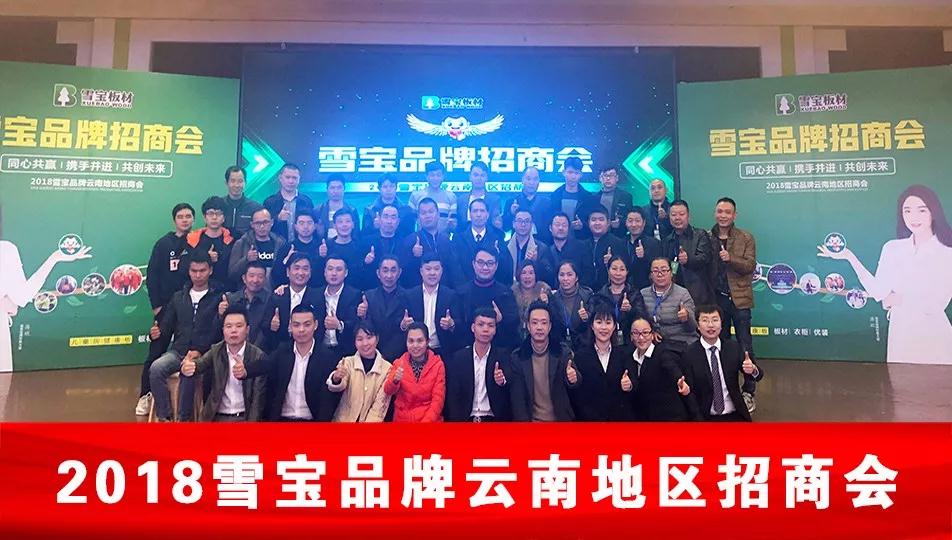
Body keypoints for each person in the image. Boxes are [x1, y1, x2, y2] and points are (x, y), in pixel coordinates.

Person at [818, 184, 952, 364]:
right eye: (907, 211)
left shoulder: (946, 252)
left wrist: (897, 299)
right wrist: (850, 257)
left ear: (933, 212)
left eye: (921, 210)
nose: (913, 217)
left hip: (933, 334)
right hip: (900, 332)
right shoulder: (892, 248)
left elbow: (936, 304)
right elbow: (878, 292)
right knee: (900, 380)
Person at [0, 214, 92, 373]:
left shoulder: (6, 250)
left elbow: (20, 296)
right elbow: (20, 297)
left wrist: (54, 258)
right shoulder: (6, 250)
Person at [147, 252, 224, 422]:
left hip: (205, 353)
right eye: (194, 271)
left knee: (188, 370)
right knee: (156, 368)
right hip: (178, 351)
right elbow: (166, 327)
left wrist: (199, 350)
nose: (198, 275)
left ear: (210, 270)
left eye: (202, 270)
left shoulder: (219, 297)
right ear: (189, 271)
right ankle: (165, 417)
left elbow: (217, 332)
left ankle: (184, 420)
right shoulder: (178, 297)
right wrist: (155, 333)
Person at [242, 304, 340, 421]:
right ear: (290, 326)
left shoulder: (327, 357)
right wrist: (245, 370)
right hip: (282, 420)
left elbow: (328, 399)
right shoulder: (282, 351)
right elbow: (265, 364)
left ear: (316, 325)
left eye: (307, 324)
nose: (301, 330)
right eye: (296, 325)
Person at [710, 197, 758, 411]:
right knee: (719, 346)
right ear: (715, 213)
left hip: (740, 299)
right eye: (720, 211)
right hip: (717, 300)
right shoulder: (708, 237)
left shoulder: (746, 237)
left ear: (734, 215)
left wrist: (730, 258)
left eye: (727, 212)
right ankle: (725, 388)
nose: (723, 215)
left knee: (745, 345)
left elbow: (750, 266)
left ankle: (748, 391)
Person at [179, 305, 268, 422]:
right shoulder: (216, 351)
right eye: (228, 326)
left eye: (239, 326)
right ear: (223, 330)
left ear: (247, 330)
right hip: (216, 416)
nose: (233, 330)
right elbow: (199, 365)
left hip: (243, 418)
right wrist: (187, 367)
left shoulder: (258, 356)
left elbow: (257, 400)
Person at [680, 304, 763, 421]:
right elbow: (689, 393)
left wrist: (753, 370)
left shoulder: (733, 348)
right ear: (698, 325)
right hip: (705, 417)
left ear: (721, 324)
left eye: (715, 320)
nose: (710, 325)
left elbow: (758, 376)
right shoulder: (689, 353)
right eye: (705, 320)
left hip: (735, 415)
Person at [508, 301, 580, 421]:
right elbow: (518, 401)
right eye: (534, 323)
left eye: (544, 322)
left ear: (550, 326)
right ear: (528, 326)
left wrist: (573, 378)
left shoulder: (562, 352)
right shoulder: (518, 357)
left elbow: (576, 380)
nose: (539, 327)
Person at [571, 295, 638, 421]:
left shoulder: (624, 355)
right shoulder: (580, 357)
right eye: (599, 322)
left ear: (614, 326)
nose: (603, 327)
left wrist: (629, 386)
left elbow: (634, 384)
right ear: (592, 326)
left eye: (608, 322)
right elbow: (577, 395)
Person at [444, 307, 512, 422]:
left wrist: (502, 382)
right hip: (466, 419)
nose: (486, 329)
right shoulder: (459, 358)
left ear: (495, 330)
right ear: (473, 328)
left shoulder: (503, 357)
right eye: (481, 324)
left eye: (490, 325)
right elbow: (453, 396)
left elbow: (511, 393)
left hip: (493, 419)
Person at [628, 317, 694, 421]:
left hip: (668, 417)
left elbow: (672, 369)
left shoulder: (662, 353)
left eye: (645, 332)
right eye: (636, 333)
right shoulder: (629, 357)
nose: (641, 337)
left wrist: (681, 382)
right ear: (631, 336)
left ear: (652, 334)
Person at [326, 321, 393, 422]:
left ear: (377, 339)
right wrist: (336, 379)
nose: (365, 343)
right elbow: (339, 386)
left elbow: (379, 409)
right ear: (355, 342)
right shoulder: (347, 362)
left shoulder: (387, 368)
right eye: (360, 339)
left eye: (369, 337)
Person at [456, 247, 521, 348]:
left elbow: (514, 325)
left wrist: (501, 320)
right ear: (473, 264)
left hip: (499, 349)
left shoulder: (505, 293)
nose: (485, 267)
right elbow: (459, 326)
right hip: (467, 350)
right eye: (480, 262)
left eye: (490, 263)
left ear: (496, 265)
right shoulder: (462, 293)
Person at [384, 322, 446, 422]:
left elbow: (437, 401)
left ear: (427, 342)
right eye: (411, 341)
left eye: (420, 341)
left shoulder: (438, 365)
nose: (415, 345)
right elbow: (387, 391)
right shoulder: (399, 363)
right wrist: (394, 381)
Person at [404, 254, 460, 359]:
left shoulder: (451, 295)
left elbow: (460, 323)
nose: (432, 273)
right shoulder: (410, 295)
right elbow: (400, 322)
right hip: (415, 351)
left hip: (442, 351)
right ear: (421, 271)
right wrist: (403, 325)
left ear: (442, 271)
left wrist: (451, 324)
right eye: (428, 269)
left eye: (436, 269)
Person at [662, 199, 714, 306]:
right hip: (673, 292)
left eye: (681, 214)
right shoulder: (667, 240)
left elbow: (705, 258)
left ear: (688, 216)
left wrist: (688, 260)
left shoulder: (700, 235)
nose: (677, 218)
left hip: (698, 292)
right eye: (673, 215)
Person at [640, 257, 697, 352]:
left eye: (664, 270)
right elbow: (640, 320)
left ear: (671, 273)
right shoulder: (643, 294)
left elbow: (692, 327)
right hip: (655, 343)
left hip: (681, 342)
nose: (660, 274)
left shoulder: (683, 293)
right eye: (655, 271)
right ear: (651, 275)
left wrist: (686, 317)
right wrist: (651, 332)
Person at [267, 252, 322, 350]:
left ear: (310, 273)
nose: (300, 273)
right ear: (288, 272)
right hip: (280, 350)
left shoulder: (318, 298)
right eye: (296, 268)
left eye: (305, 269)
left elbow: (321, 328)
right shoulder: (277, 296)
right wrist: (271, 326)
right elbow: (264, 326)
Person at [399, 197, 459, 288]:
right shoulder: (410, 240)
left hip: (445, 291)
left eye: (431, 212)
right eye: (423, 213)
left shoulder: (446, 240)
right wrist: (413, 256)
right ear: (418, 217)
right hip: (417, 291)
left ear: (438, 215)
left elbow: (453, 270)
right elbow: (403, 273)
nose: (427, 216)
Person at [146, 203, 194, 317]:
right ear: (174, 221)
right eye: (180, 217)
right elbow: (152, 276)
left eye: (188, 216)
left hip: (193, 304)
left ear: (193, 220)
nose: (184, 220)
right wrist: (156, 306)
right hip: (167, 304)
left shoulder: (199, 242)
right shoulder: (163, 244)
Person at [359, 255, 409, 361]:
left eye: (393, 270)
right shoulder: (368, 296)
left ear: (399, 273)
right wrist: (362, 316)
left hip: (400, 355)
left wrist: (404, 326)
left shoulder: (408, 296)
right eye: (385, 270)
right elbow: (365, 328)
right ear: (378, 273)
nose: (389, 275)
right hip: (372, 353)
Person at [216, 261, 275, 350]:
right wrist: (220, 315)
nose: (255, 280)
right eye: (251, 276)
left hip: (259, 352)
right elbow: (217, 330)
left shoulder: (271, 300)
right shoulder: (231, 299)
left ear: (265, 279)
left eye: (260, 276)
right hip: (231, 349)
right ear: (244, 278)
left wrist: (251, 351)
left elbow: (265, 332)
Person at [452, 198, 512, 286]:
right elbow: (455, 267)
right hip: (464, 289)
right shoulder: (458, 237)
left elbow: (506, 266)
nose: (478, 214)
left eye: (482, 211)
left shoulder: (498, 236)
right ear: (470, 214)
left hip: (491, 287)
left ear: (487, 215)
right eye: (475, 211)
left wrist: (498, 254)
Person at [228, 207, 286, 289]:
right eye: (258, 223)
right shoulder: (242, 243)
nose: (262, 226)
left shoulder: (281, 243)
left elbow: (286, 273)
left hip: (275, 293)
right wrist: (246, 260)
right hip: (248, 293)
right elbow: (232, 275)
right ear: (252, 225)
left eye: (265, 222)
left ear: (272, 222)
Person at [183, 196, 234, 290]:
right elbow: (184, 267)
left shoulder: (232, 240)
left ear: (224, 218)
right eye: (210, 213)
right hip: (197, 290)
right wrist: (206, 259)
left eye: (218, 214)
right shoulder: (192, 240)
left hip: (226, 290)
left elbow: (233, 270)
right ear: (204, 217)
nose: (214, 217)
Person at [315, 255, 362, 357]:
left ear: (346, 273)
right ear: (325, 272)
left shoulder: (355, 295)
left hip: (345, 351)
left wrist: (339, 325)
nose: (334, 273)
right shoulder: (315, 294)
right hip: (319, 350)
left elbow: (357, 324)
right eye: (330, 269)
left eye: (339, 269)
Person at [598, 256, 649, 346]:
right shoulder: (600, 295)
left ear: (627, 272)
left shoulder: (634, 293)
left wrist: (630, 310)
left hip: (630, 340)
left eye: (622, 269)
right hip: (605, 340)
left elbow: (642, 317)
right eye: (614, 269)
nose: (618, 273)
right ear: (608, 271)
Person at [263, 163, 314, 242]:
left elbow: (312, 225)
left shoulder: (306, 201)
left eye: (294, 178)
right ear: (280, 178)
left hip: (301, 245)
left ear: (299, 179)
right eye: (287, 177)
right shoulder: (270, 202)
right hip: (277, 245)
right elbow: (263, 227)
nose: (291, 181)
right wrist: (278, 219)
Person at [541, 212, 594, 288]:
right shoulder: (547, 252)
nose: (560, 228)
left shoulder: (582, 248)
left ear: (569, 228)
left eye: (564, 225)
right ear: (550, 228)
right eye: (557, 225)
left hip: (577, 292)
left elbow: (589, 275)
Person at [549, 157, 595, 239]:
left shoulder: (588, 197)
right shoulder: (555, 196)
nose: (573, 176)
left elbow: (592, 221)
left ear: (581, 175)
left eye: (576, 173)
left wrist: (582, 225)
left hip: (580, 240)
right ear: (563, 172)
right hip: (557, 240)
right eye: (570, 172)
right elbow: (550, 220)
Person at [271, 211, 320, 289]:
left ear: (315, 226)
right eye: (301, 223)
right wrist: (286, 259)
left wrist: (322, 257)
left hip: (316, 290)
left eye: (309, 223)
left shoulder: (321, 247)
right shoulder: (287, 247)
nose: (305, 226)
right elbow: (275, 274)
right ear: (295, 226)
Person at [552, 260, 594, 348]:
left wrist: (587, 317)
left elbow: (596, 319)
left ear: (577, 277)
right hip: (561, 345)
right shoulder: (553, 298)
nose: (565, 278)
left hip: (585, 344)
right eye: (562, 275)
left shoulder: (587, 295)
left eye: (569, 274)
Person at [506, 208, 554, 284]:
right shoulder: (504, 246)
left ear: (532, 225)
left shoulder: (542, 248)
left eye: (527, 221)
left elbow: (549, 277)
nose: (523, 225)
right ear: (513, 224)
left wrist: (536, 262)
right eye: (520, 221)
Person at [408, 161, 457, 234]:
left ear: (443, 176)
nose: (435, 178)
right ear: (426, 177)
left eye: (438, 175)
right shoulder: (415, 196)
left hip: (444, 238)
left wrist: (451, 224)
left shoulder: (451, 196)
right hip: (421, 238)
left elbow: (453, 225)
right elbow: (410, 222)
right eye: (432, 175)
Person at [586, 205, 627, 291]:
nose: (597, 223)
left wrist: (610, 263)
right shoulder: (583, 244)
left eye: (601, 219)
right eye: (593, 220)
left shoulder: (618, 243)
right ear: (588, 223)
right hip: (586, 291)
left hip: (609, 291)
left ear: (608, 223)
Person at [321, 209, 365, 288]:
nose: (344, 225)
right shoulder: (326, 247)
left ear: (353, 224)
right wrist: (321, 257)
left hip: (356, 290)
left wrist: (366, 263)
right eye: (340, 222)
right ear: (334, 226)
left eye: (347, 221)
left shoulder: (361, 246)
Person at [511, 260, 555, 340]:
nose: (527, 276)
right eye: (524, 273)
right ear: (519, 275)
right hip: (515, 337)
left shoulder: (544, 291)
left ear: (536, 275)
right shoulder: (511, 293)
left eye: (531, 273)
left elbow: (554, 317)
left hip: (539, 337)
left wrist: (546, 304)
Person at [362, 175, 414, 239]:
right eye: (385, 187)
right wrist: (374, 227)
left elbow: (410, 235)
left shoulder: (406, 210)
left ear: (396, 188)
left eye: (392, 186)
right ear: (379, 189)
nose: (388, 189)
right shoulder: (370, 210)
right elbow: (363, 236)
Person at [503, 166, 551, 236]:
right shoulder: (511, 201)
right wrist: (511, 214)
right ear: (522, 180)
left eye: (535, 179)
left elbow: (550, 229)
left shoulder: (547, 203)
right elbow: (505, 228)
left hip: (541, 242)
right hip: (518, 242)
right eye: (528, 179)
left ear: (539, 181)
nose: (532, 182)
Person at [623, 207, 663, 290]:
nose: (634, 225)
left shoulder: (653, 243)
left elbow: (657, 269)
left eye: (637, 221)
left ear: (644, 223)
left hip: (646, 289)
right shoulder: (621, 242)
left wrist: (643, 257)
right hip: (624, 288)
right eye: (630, 221)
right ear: (625, 223)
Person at [313, 174, 361, 241]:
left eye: (339, 187)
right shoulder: (317, 211)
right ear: (327, 189)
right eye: (332, 188)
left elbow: (356, 235)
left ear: (344, 189)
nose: (336, 191)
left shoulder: (352, 210)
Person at [456, 161, 502, 230]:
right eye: (475, 175)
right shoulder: (461, 199)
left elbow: (496, 223)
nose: (479, 178)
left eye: (482, 175)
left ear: (487, 178)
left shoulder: (495, 200)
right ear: (470, 177)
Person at [222, 165, 262, 237]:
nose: (236, 185)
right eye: (233, 181)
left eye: (240, 181)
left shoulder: (255, 207)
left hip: (246, 243)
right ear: (226, 183)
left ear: (245, 183)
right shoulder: (219, 205)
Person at [596, 166, 634, 238]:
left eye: (611, 175)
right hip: (598, 236)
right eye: (605, 175)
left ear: (617, 178)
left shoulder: (626, 196)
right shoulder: (594, 197)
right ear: (600, 178)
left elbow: (630, 217)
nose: (608, 178)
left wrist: (620, 223)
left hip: (619, 236)